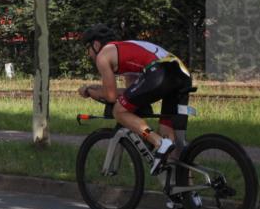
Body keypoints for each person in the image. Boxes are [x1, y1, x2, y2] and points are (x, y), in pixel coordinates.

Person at [77, 23, 193, 176]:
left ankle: (158, 142)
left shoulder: (103, 55)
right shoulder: (126, 50)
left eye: (88, 49)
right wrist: (98, 89)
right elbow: (131, 93)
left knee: (118, 111)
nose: (88, 54)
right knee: (171, 140)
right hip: (181, 74)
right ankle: (185, 195)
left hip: (159, 71)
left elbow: (111, 96)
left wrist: (88, 91)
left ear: (96, 44)